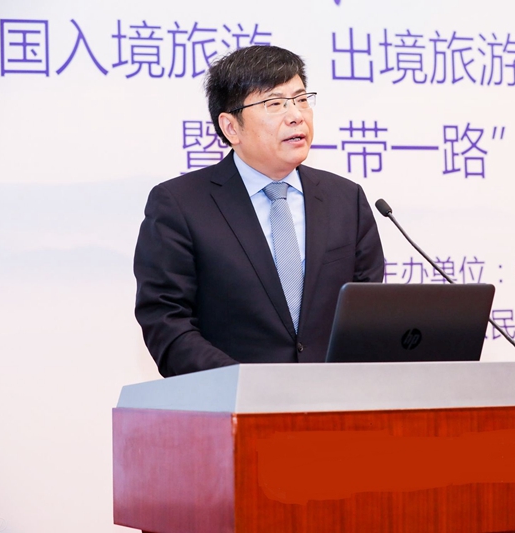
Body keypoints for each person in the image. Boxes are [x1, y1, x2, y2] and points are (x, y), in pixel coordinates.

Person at [133, 45, 384, 377]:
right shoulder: (180, 205)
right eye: (275, 104)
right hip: (233, 400)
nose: (296, 115)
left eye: (301, 99)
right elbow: (166, 323)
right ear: (231, 127)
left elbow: (369, 314)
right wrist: (247, 384)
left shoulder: (346, 199)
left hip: (335, 399)